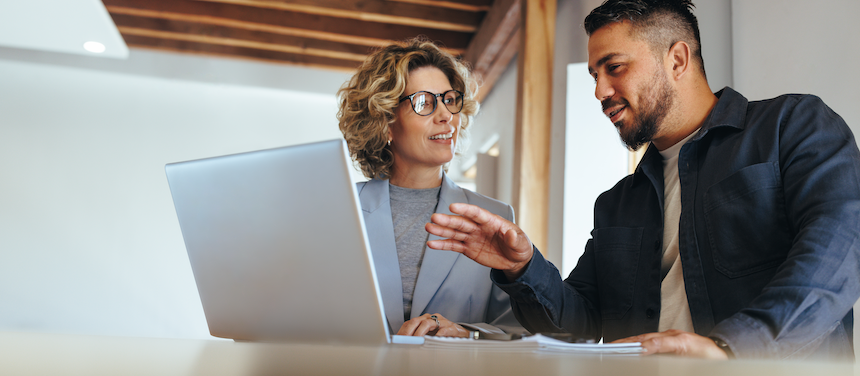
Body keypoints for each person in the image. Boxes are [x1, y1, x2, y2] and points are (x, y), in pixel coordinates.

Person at [424, 0, 860, 360]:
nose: (599, 91)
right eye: (595, 75)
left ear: (677, 59)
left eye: (614, 67)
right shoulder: (617, 202)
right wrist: (521, 267)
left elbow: (841, 246)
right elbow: (579, 323)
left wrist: (730, 349)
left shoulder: (792, 125)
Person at [337, 38, 524, 338]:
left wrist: (466, 333)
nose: (445, 116)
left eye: (449, 100)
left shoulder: (494, 216)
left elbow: (519, 329)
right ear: (385, 122)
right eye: (424, 102)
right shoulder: (339, 210)